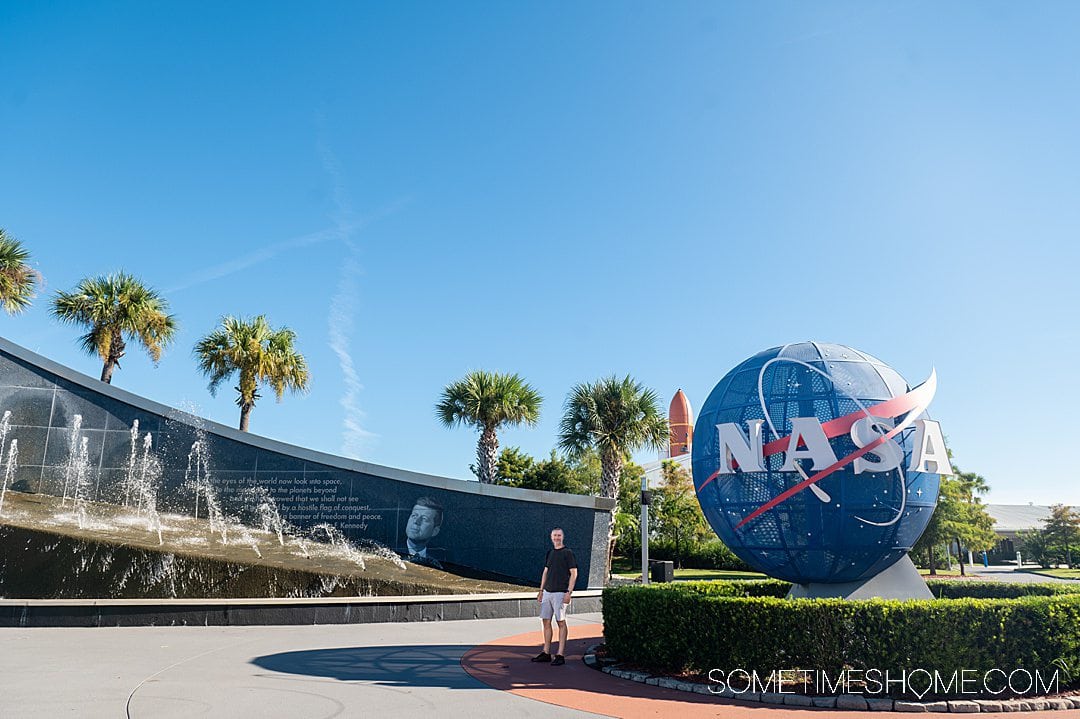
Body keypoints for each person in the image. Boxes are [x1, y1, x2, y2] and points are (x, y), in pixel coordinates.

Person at [531, 527, 577, 666]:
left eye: (559, 535)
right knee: (545, 621)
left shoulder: (568, 553)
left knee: (560, 622)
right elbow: (545, 572)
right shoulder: (550, 553)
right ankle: (546, 652)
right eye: (554, 535)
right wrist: (541, 590)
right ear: (551, 537)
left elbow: (574, 573)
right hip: (547, 592)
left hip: (560, 592)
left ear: (562, 537)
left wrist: (569, 592)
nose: (556, 537)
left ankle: (560, 655)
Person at [400, 496, 444, 569]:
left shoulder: (439, 561)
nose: (416, 522)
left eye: (424, 519)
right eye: (414, 516)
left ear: (435, 531)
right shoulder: (389, 548)